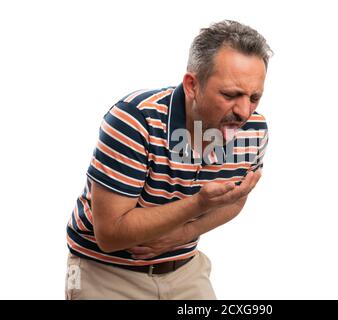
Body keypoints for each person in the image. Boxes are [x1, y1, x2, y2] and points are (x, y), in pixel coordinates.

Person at [65, 20, 272, 300]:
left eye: (254, 97)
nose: (244, 111)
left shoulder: (253, 129)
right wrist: (198, 204)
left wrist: (187, 232)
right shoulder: (134, 121)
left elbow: (235, 197)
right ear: (192, 85)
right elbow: (110, 235)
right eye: (229, 95)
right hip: (106, 273)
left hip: (186, 271)